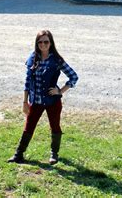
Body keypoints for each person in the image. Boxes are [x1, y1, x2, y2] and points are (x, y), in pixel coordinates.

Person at [8, 30, 78, 165]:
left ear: (51, 43)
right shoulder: (33, 58)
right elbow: (27, 82)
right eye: (40, 42)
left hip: (52, 102)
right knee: (29, 127)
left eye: (46, 41)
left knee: (55, 126)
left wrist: (60, 91)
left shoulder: (57, 60)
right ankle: (18, 155)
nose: (43, 44)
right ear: (37, 43)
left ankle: (54, 154)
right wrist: (25, 101)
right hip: (36, 101)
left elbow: (74, 76)